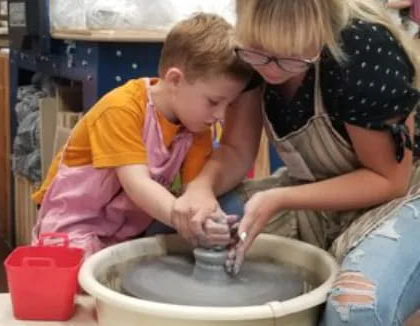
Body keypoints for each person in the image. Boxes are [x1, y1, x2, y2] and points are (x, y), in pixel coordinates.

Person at [172, 0, 420, 325]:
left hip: (403, 197)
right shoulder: (244, 48)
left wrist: (279, 199)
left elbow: (389, 181)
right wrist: (200, 188)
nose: (271, 69)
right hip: (315, 191)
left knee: (355, 310)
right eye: (259, 52)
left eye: (292, 57)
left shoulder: (364, 51)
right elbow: (235, 148)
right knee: (190, 226)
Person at [31, 13, 251, 257]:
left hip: (124, 231)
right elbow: (137, 184)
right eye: (214, 101)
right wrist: (184, 220)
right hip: (73, 225)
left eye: (228, 105)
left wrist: (208, 220)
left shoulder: (197, 127)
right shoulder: (121, 108)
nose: (220, 115)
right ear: (175, 80)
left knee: (224, 210)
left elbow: (193, 192)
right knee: (85, 279)